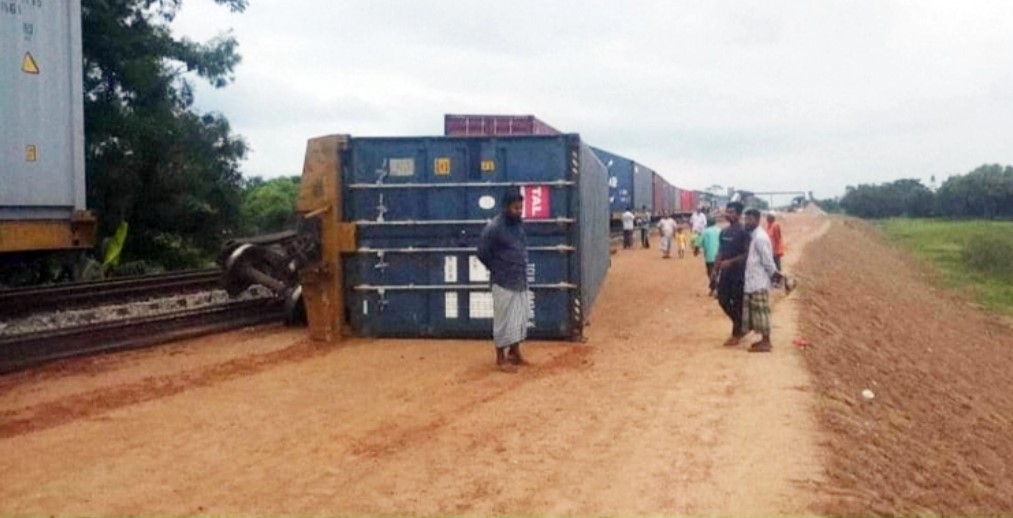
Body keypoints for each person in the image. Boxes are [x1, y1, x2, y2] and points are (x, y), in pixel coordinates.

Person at [477, 191, 530, 371]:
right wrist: (498, 268)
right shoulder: (494, 228)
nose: (519, 211)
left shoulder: (517, 225)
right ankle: (500, 357)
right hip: (503, 281)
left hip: (520, 279)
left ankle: (514, 352)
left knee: (520, 317)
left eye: (521, 208)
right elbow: (482, 253)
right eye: (516, 208)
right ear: (506, 207)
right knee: (503, 319)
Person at [742, 208, 781, 352]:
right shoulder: (754, 236)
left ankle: (766, 342)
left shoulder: (760, 238)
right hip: (754, 280)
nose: (747, 222)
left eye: (750, 219)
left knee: (762, 312)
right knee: (758, 312)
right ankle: (764, 340)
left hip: (759, 281)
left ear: (757, 220)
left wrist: (774, 275)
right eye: (746, 219)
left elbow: (767, 260)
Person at [714, 202, 751, 346]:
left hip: (739, 274)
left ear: (739, 214)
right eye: (727, 211)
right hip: (725, 274)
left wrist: (731, 262)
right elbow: (720, 251)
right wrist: (715, 270)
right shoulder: (724, 232)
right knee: (722, 300)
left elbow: (747, 254)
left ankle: (736, 334)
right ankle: (741, 325)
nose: (728, 214)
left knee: (737, 303)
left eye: (731, 212)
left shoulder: (743, 233)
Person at [766, 212, 796, 294]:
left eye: (768, 217)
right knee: (774, 268)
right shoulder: (769, 226)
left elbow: (777, 239)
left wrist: (775, 251)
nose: (766, 218)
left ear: (772, 217)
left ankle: (787, 281)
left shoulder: (775, 225)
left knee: (777, 269)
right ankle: (779, 283)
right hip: (770, 252)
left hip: (775, 251)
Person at [697, 217, 722, 296]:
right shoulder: (720, 230)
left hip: (709, 256)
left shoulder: (705, 232)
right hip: (720, 256)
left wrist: (696, 251)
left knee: (710, 272)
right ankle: (714, 288)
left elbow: (699, 243)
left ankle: (714, 288)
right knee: (717, 273)